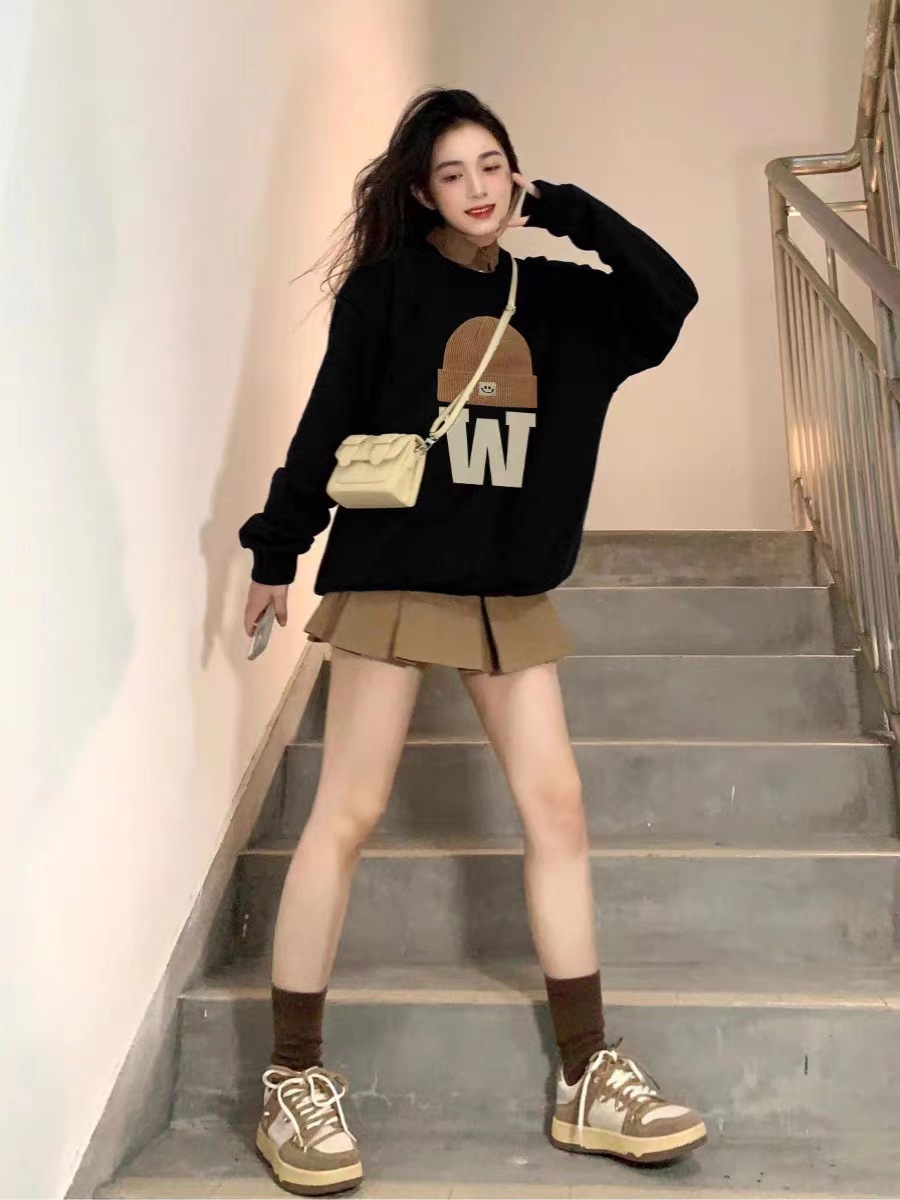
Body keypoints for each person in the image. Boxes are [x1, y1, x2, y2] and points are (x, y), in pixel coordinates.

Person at [239, 86, 702, 1197]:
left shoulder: (560, 301)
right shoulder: (388, 290)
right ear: (421, 191)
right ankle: (292, 1077)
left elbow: (670, 296)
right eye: (453, 172)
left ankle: (586, 1074)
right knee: (347, 813)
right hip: (398, 573)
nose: (479, 188)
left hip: (508, 585)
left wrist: (571, 211)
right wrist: (276, 548)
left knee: (559, 812)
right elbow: (328, 420)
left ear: (517, 172)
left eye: (493, 164)